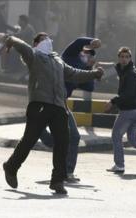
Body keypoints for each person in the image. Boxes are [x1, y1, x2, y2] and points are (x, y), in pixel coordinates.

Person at [1, 32, 104, 194]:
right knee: (29, 139)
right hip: (40, 104)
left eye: (48, 38)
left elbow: (74, 73)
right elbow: (22, 46)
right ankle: (11, 166)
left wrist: (94, 73)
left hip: (59, 106)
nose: (48, 41)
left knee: (63, 141)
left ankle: (57, 180)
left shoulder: (57, 60)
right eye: (43, 39)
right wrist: (11, 40)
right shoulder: (34, 56)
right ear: (36, 43)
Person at [39, 37, 101, 183]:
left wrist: (90, 69)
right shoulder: (69, 56)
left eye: (90, 54)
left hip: (62, 104)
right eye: (85, 51)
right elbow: (78, 42)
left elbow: (89, 87)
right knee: (51, 136)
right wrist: (92, 41)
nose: (86, 54)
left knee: (73, 137)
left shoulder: (81, 69)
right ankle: (39, 132)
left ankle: (67, 172)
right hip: (47, 100)